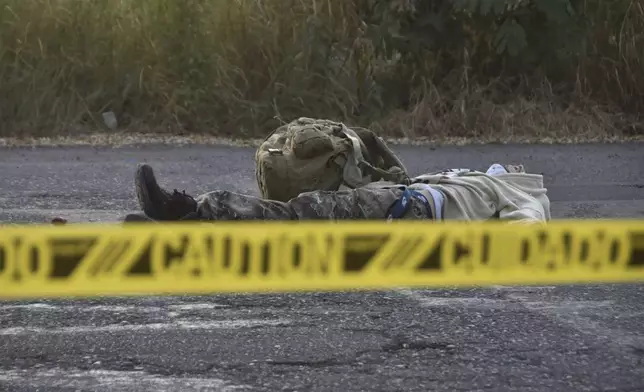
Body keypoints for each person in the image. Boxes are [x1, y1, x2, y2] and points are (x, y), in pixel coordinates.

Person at [124, 162, 550, 224]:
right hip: (399, 202)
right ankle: (191, 225)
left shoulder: (522, 190)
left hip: (406, 212)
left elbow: (526, 228)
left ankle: (190, 208)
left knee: (300, 214)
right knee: (297, 225)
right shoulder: (477, 178)